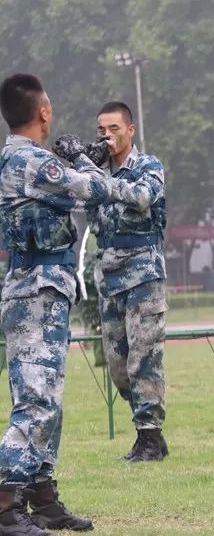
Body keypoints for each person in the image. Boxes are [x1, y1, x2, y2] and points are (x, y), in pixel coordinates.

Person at [0, 73, 111, 535]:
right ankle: (5, 504)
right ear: (42, 111)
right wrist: (85, 157)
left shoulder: (20, 158)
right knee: (35, 402)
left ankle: (41, 496)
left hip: (40, 287)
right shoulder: (30, 161)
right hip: (37, 290)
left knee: (48, 400)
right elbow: (98, 189)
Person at [87, 102, 168, 462]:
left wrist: (95, 176)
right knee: (118, 367)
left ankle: (150, 436)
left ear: (130, 130)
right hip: (108, 275)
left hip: (143, 274)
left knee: (144, 357)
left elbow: (142, 197)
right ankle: (146, 432)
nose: (107, 135)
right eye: (102, 129)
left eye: (114, 128)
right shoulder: (94, 171)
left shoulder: (148, 166)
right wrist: (72, 162)